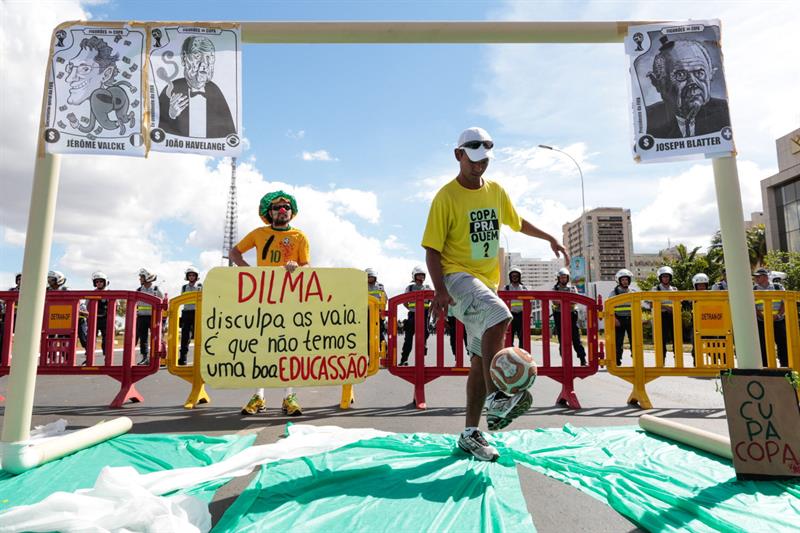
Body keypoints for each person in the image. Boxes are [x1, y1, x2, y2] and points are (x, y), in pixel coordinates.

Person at [422, 126, 568, 461]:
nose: (479, 165)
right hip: (456, 276)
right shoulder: (446, 197)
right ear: (458, 155)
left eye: (484, 158)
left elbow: (516, 222)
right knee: (500, 314)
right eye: (473, 158)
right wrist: (440, 290)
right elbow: (431, 249)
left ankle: (471, 433)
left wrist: (548, 237)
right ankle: (498, 396)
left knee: (478, 360)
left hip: (485, 282)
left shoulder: (496, 191)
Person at [229, 190, 310, 417]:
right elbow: (235, 252)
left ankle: (289, 397)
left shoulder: (299, 236)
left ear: (292, 212)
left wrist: (297, 268)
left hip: (289, 299)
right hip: (262, 298)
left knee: (289, 348)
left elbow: (307, 266)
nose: (282, 211)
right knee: (261, 347)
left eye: (286, 207)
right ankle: (259, 396)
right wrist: (248, 271)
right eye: (277, 208)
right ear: (269, 212)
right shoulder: (258, 233)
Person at [645, 38, 730, 139]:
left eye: (700, 73)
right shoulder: (646, 119)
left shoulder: (724, 113)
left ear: (711, 75)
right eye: (681, 75)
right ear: (658, 83)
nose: (693, 82)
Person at [158, 36, 236, 138]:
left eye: (209, 57)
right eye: (197, 56)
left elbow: (228, 134)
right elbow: (157, 135)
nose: (204, 63)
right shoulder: (171, 89)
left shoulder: (215, 91)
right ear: (184, 58)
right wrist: (171, 115)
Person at [551, 268, 587, 366]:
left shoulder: (572, 288)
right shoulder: (555, 289)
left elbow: (575, 300)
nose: (563, 279)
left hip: (571, 315)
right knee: (562, 339)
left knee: (576, 338)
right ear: (559, 278)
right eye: (561, 277)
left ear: (568, 278)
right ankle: (565, 361)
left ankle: (583, 359)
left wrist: (562, 301)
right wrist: (567, 300)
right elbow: (554, 301)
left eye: (565, 277)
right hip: (559, 315)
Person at [753, 268, 788, 367]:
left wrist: (778, 315)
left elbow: (784, 302)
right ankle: (765, 367)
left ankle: (785, 366)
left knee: (782, 344)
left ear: (765, 277)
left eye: (758, 276)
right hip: (761, 321)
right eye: (755, 277)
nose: (756, 279)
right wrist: (764, 317)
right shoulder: (753, 289)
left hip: (778, 321)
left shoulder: (778, 287)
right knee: (763, 345)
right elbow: (753, 306)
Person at [399, 266, 432, 367]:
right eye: (419, 275)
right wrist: (411, 309)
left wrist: (429, 311)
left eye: (423, 275)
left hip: (425, 314)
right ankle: (404, 360)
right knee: (408, 338)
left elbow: (433, 299)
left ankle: (421, 362)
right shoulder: (410, 288)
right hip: (413, 314)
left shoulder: (427, 287)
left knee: (425, 334)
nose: (421, 277)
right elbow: (404, 302)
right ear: (414, 276)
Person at [135, 268, 164, 366]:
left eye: (142, 277)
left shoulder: (156, 290)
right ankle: (145, 358)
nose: (140, 279)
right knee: (143, 339)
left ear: (147, 277)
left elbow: (163, 303)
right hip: (142, 317)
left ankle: (158, 358)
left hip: (154, 317)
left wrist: (163, 320)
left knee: (156, 338)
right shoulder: (138, 290)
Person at [609, 269, 636, 366]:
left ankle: (636, 359)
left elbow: (638, 306)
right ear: (619, 281)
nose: (625, 281)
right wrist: (614, 319)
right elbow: (610, 307)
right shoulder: (614, 293)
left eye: (626, 279)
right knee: (618, 342)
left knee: (634, 341)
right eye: (623, 279)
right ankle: (617, 360)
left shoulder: (633, 292)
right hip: (619, 320)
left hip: (631, 319)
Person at [653, 266, 678, 360]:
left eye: (667, 276)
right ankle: (661, 358)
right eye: (663, 276)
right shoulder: (656, 289)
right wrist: (665, 307)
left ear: (670, 278)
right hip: (661, 316)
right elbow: (650, 304)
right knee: (661, 338)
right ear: (660, 278)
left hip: (673, 316)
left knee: (676, 336)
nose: (665, 278)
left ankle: (677, 356)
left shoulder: (674, 289)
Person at [179, 266, 202, 366]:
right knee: (185, 337)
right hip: (186, 313)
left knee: (199, 337)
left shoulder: (200, 286)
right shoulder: (184, 287)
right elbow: (180, 300)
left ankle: (200, 359)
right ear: (187, 277)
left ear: (196, 277)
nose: (191, 277)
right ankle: (182, 358)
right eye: (189, 275)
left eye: (193, 275)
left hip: (197, 313)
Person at [88, 271, 112, 361]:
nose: (98, 283)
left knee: (106, 339)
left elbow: (116, 306)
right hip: (94, 319)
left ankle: (107, 357)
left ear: (105, 282)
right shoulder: (92, 293)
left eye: (101, 281)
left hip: (106, 320)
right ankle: (89, 357)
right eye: (97, 282)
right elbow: (86, 305)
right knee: (91, 338)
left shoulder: (111, 294)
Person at [503, 267, 528, 348]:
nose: (515, 277)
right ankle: (510, 352)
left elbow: (528, 302)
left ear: (519, 277)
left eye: (516, 276)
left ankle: (521, 352)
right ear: (510, 277)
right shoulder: (506, 288)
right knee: (509, 336)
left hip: (521, 314)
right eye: (513, 276)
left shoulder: (524, 288)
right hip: (510, 314)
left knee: (522, 336)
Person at [366, 268, 387, 347]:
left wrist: (383, 313)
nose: (370, 278)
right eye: (368, 277)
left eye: (372, 277)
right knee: (368, 333)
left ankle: (384, 351)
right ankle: (369, 353)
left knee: (379, 331)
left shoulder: (380, 287)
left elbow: (385, 299)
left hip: (377, 312)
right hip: (367, 312)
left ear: (375, 277)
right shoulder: (362, 286)